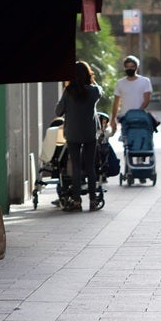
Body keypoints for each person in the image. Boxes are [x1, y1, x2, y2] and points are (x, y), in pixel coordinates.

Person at [54, 61, 102, 211]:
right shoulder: (94, 91)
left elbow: (58, 112)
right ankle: (93, 200)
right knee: (90, 167)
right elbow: (100, 90)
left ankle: (76, 201)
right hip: (89, 133)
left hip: (73, 133)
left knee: (75, 167)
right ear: (88, 74)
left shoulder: (68, 92)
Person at [109, 55, 153, 136]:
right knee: (127, 141)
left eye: (132, 66)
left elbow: (146, 100)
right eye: (127, 67)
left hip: (140, 117)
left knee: (140, 140)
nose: (130, 69)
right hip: (125, 118)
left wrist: (137, 113)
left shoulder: (145, 81)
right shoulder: (120, 83)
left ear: (137, 67)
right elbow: (116, 102)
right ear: (124, 68)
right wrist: (113, 119)